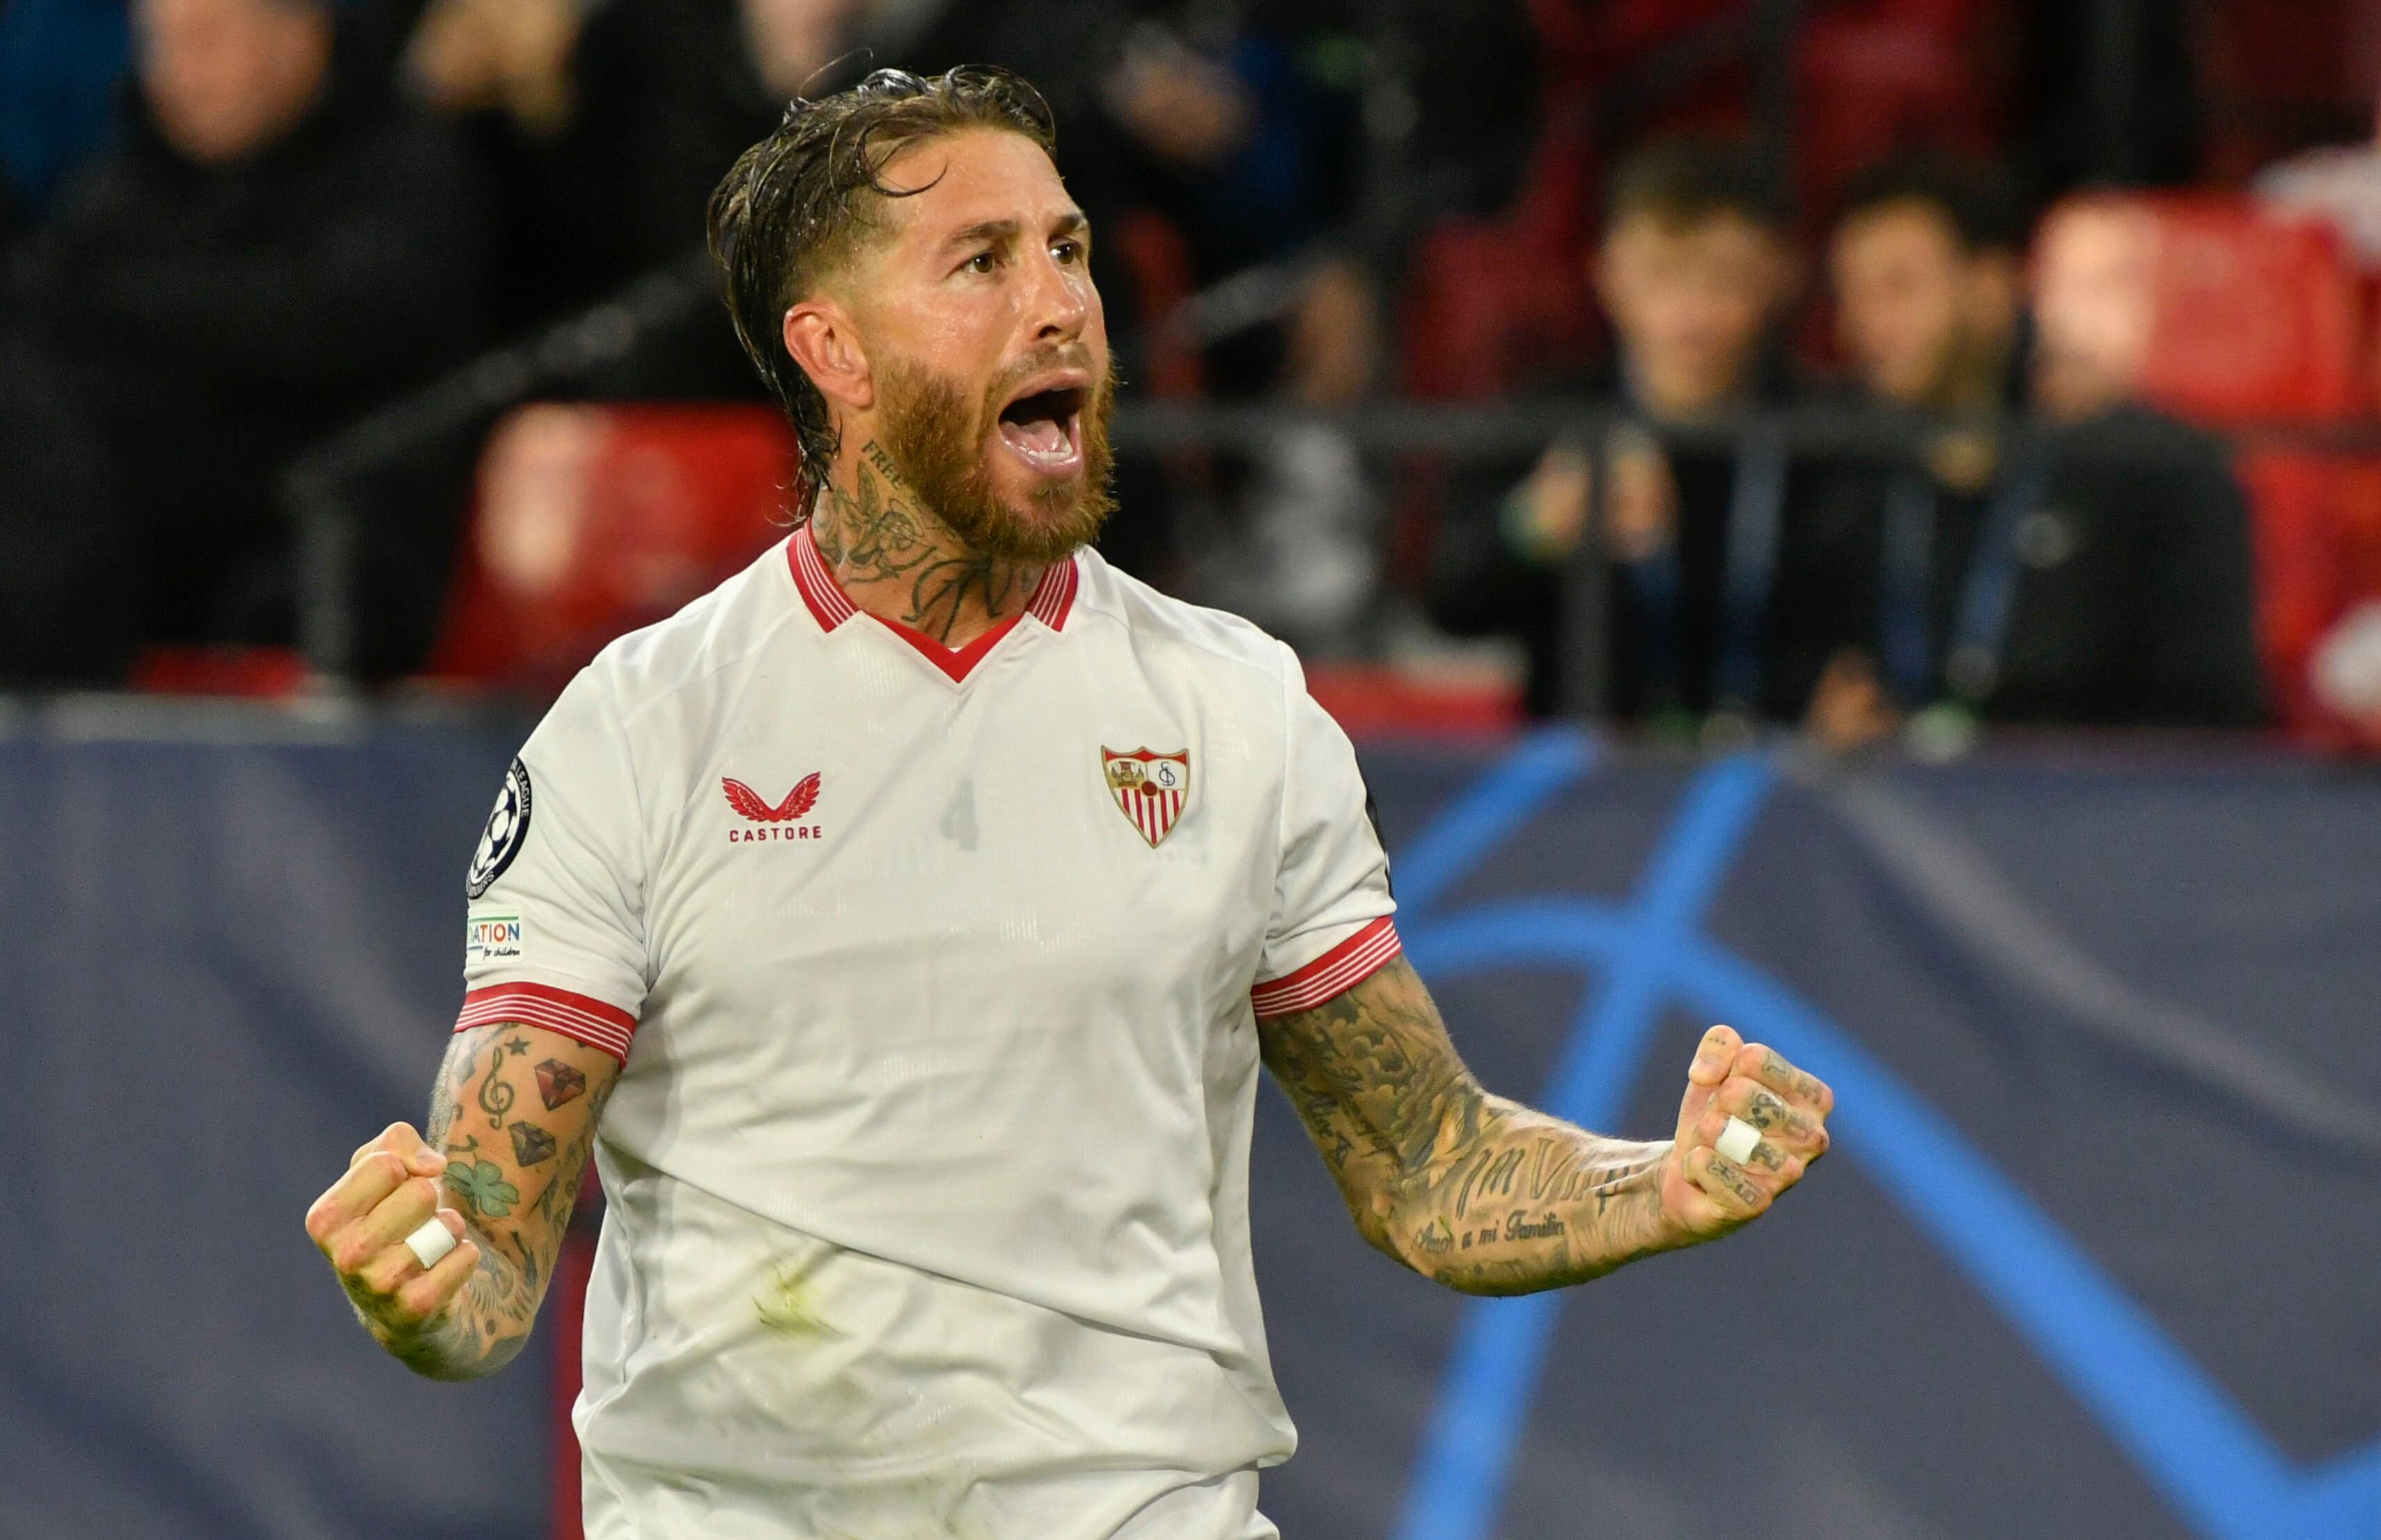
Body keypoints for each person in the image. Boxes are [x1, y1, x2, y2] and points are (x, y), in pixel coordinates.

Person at [302, 68, 1834, 1539]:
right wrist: (419, 1276)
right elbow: (491, 1253)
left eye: (1069, 249)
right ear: (831, 350)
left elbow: (1429, 1165)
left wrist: (1661, 1182)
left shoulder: (1235, 708)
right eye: (980, 260)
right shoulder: (637, 732)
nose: (1060, 303)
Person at [2, 0, 488, 658]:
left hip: (327, 531)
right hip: (134, 540)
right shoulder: (131, 176)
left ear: (300, 38)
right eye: (160, 45)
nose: (178, 74)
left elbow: (328, 323)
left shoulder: (400, 169)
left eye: (205, 43)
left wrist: (126, 310)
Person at [1423, 139, 1843, 728]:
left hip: (1784, 776)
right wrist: (1532, 526)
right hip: (1586, 782)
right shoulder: (1546, 420)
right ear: (1608, 276)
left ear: (1776, 278)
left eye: (1724, 278)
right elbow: (1447, 603)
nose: (1691, 311)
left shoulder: (1833, 431)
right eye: (1662, 274)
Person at [1803, 152, 2031, 746]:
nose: (1864, 323)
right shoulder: (1825, 460)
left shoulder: (2127, 464)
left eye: (1897, 288)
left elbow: (2214, 727)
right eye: (1850, 294)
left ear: (1990, 285)